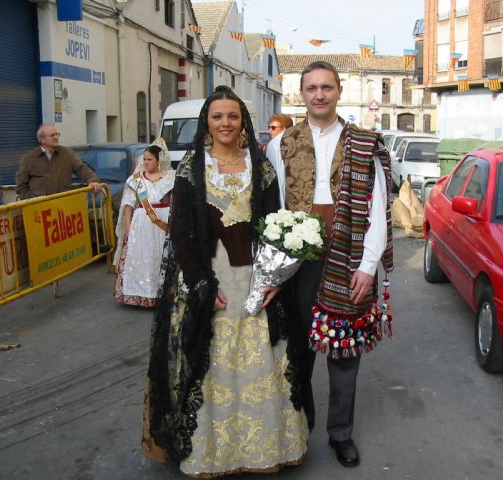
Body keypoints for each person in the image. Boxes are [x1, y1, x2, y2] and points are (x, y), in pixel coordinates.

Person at [141, 86, 308, 478]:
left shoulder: (260, 165)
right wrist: (201, 282)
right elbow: (181, 231)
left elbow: (273, 223)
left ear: (242, 121)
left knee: (265, 359)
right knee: (211, 361)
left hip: (256, 276)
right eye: (218, 116)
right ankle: (211, 453)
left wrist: (275, 277)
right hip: (211, 276)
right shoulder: (191, 167)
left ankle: (266, 447)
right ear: (207, 122)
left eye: (232, 116)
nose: (225, 123)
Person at [265, 61, 394, 468]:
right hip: (298, 264)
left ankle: (340, 434)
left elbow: (378, 208)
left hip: (348, 259)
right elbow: (276, 206)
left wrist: (369, 266)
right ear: (300, 94)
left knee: (344, 353)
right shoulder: (279, 143)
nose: (319, 95)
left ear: (339, 91)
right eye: (311, 88)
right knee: (298, 352)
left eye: (326, 87)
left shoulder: (364, 142)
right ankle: (298, 433)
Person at [113, 139, 175, 307]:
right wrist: (128, 228)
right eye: (144, 159)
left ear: (159, 161)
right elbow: (128, 205)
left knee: (160, 257)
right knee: (142, 257)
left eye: (149, 159)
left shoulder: (171, 179)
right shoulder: (136, 180)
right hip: (141, 223)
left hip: (162, 223)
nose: (145, 162)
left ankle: (161, 294)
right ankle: (141, 294)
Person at [15, 124, 102, 200]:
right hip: (39, 207)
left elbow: (82, 169)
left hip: (63, 204)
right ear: (42, 139)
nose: (56, 137)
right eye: (52, 135)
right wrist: (29, 199)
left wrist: (93, 180)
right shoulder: (29, 158)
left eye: (57, 134)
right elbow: (21, 184)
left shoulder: (67, 153)